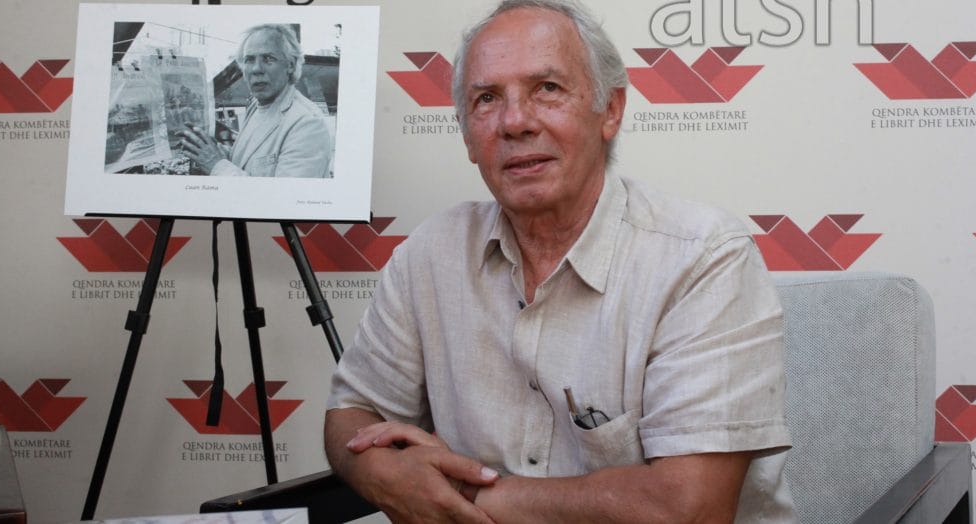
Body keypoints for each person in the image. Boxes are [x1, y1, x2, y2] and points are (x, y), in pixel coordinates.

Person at [324, 0, 796, 522]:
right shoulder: (430, 255)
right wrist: (385, 475)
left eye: (547, 89)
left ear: (610, 110)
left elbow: (689, 510)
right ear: (467, 135)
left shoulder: (703, 259)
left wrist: (459, 496)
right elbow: (352, 412)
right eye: (486, 99)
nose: (515, 122)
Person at [180, 24, 332, 178]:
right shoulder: (257, 105)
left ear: (290, 65)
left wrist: (216, 165)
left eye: (269, 59)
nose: (256, 69)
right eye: (249, 60)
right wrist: (213, 151)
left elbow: (286, 193)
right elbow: (248, 160)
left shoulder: (308, 124)